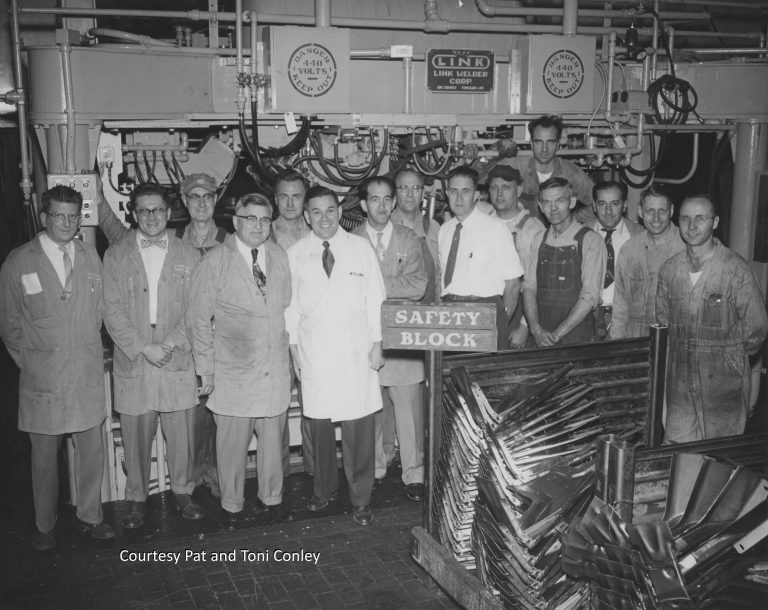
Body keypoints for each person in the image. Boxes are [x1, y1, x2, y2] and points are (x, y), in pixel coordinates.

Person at [0, 186, 116, 550]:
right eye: (58, 215)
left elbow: (99, 312)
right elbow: (10, 325)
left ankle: (90, 516)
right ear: (44, 217)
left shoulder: (90, 256)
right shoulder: (19, 262)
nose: (66, 222)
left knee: (92, 453)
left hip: (84, 373)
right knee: (44, 459)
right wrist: (35, 361)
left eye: (72, 215)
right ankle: (45, 525)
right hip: (43, 379)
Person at [98, 173, 225, 496]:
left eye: (157, 210)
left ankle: (184, 494)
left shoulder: (189, 255)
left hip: (176, 356)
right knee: (135, 436)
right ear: (133, 214)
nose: (151, 217)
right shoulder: (115, 254)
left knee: (182, 437)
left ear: (169, 213)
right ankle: (137, 499)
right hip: (135, 358)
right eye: (143, 211)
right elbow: (110, 309)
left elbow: (197, 310)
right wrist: (143, 347)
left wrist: (170, 342)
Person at [187, 193, 295, 527]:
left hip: (274, 369)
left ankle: (271, 500)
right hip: (232, 371)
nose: (259, 226)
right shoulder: (215, 261)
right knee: (231, 447)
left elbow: (285, 306)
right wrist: (205, 370)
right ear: (236, 222)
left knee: (273, 446)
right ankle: (231, 506)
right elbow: (197, 319)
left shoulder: (278, 256)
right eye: (251, 219)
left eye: (265, 219)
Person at [285, 185, 386, 526]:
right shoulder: (295, 253)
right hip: (315, 354)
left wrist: (377, 343)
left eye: (330, 210)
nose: (324, 218)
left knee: (359, 429)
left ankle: (361, 498)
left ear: (340, 212)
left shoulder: (360, 249)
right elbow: (291, 309)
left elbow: (377, 299)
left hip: (357, 354)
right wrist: (294, 351)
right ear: (306, 215)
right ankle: (323, 490)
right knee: (321, 429)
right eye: (316, 212)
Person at [656, 194, 768, 443]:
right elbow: (662, 324)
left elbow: (756, 330)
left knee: (720, 454)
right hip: (679, 379)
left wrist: (730, 359)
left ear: (715, 222)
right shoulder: (670, 270)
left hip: (722, 382)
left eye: (700, 218)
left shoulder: (735, 270)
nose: (692, 226)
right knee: (677, 450)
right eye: (685, 218)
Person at [358, 177, 427, 501]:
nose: (382, 206)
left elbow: (419, 286)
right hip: (363, 338)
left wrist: (376, 284)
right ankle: (376, 468)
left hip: (402, 338)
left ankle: (414, 473)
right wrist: (391, 284)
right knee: (370, 409)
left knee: (408, 411)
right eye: (375, 199)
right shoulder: (351, 240)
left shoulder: (408, 238)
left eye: (387, 199)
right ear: (363, 204)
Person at [438, 166, 523, 351]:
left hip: (484, 309)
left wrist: (499, 319)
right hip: (449, 312)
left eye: (466, 191)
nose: (459, 198)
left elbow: (513, 283)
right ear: (447, 194)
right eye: (453, 191)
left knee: (482, 376)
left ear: (476, 195)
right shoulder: (444, 230)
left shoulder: (495, 229)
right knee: (450, 374)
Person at [523, 177, 607, 346]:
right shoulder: (538, 239)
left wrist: (555, 336)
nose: (553, 208)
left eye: (559, 200)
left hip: (576, 337)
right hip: (540, 335)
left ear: (572, 202)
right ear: (540, 206)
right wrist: (536, 329)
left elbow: (590, 297)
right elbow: (529, 288)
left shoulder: (591, 241)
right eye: (547, 202)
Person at [270, 169, 313, 478]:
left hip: (314, 333)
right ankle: (279, 477)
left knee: (314, 405)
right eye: (283, 196)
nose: (289, 202)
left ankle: (315, 471)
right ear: (275, 199)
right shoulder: (263, 233)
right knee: (278, 408)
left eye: (296, 196)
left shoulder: (320, 232)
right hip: (279, 334)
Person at [485, 115, 595, 224]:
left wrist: (572, 220)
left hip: (557, 238)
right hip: (523, 235)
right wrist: (492, 151)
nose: (544, 149)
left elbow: (599, 201)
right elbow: (479, 175)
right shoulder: (517, 166)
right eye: (538, 142)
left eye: (550, 142)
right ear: (531, 144)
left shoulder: (570, 173)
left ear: (557, 145)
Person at [610, 185, 684, 339]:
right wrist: (615, 343)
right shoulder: (629, 250)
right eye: (650, 211)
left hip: (675, 339)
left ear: (671, 211)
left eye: (662, 211)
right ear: (640, 212)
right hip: (634, 338)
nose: (656, 218)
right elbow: (620, 306)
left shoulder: (685, 248)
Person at [487, 164, 545, 348]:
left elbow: (538, 284)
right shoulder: (482, 224)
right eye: (494, 187)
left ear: (518, 190)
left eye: (506, 187)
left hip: (521, 313)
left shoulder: (532, 229)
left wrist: (524, 327)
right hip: (488, 305)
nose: (499, 193)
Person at [591, 180, 643, 340]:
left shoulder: (640, 236)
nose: (607, 211)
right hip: (589, 320)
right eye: (601, 204)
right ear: (594, 206)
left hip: (627, 320)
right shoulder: (581, 234)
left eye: (614, 203)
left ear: (625, 205)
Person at [392, 168, 440, 304]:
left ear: (423, 193)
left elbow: (439, 276)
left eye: (415, 188)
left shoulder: (434, 228)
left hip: (429, 314)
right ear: (395, 193)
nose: (410, 194)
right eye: (404, 188)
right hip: (392, 314)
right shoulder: (386, 228)